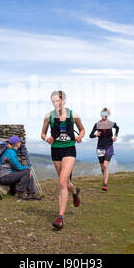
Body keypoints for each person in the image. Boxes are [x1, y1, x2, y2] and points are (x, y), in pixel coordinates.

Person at [41, 90, 85, 230]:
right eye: (53, 101)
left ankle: (60, 217)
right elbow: (42, 133)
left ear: (64, 100)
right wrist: (46, 138)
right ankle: (74, 191)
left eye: (58, 100)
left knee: (61, 182)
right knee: (66, 182)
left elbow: (82, 130)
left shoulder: (73, 115)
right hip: (55, 150)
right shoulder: (48, 116)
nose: (56, 103)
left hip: (69, 150)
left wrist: (79, 137)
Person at [0, 135, 41, 201]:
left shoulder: (10, 151)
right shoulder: (10, 153)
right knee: (27, 172)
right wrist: (27, 167)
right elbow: (19, 167)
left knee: (28, 171)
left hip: (5, 175)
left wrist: (27, 169)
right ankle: (19, 194)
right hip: (3, 177)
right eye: (19, 142)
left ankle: (32, 194)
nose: (20, 143)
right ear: (17, 144)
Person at [89, 108, 119, 191]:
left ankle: (105, 184)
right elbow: (90, 135)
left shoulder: (111, 123)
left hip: (109, 146)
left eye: (105, 115)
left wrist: (116, 135)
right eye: (102, 114)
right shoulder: (97, 124)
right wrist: (96, 134)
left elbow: (117, 128)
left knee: (105, 165)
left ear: (107, 115)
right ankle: (105, 178)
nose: (103, 116)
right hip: (100, 147)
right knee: (102, 168)